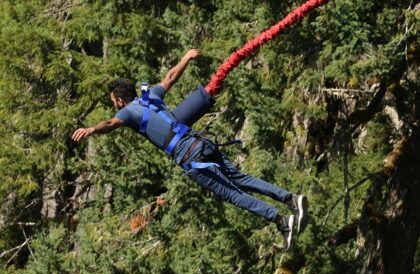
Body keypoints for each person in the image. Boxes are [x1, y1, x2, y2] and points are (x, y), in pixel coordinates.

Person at [72, 49, 308, 250]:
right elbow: (170, 77)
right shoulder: (150, 96)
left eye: (113, 102)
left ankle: (281, 221)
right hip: (200, 142)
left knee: (232, 193)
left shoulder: (127, 112)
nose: (114, 106)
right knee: (240, 178)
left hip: (188, 154)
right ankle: (290, 199)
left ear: (120, 101)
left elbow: (111, 124)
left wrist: (93, 129)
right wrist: (186, 58)